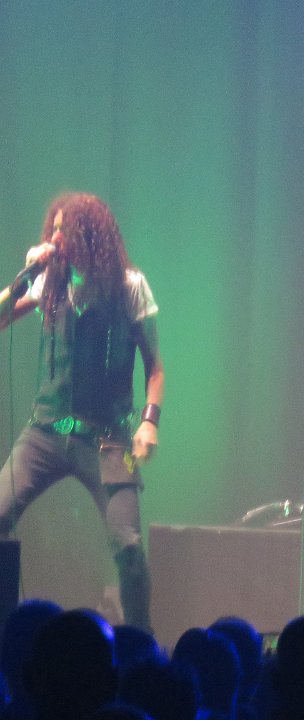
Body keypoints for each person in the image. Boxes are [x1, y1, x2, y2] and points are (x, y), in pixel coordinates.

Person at [0, 192, 164, 632]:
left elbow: (155, 367)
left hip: (109, 439)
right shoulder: (48, 282)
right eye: (53, 229)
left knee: (128, 546)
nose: (55, 238)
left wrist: (149, 421)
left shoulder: (129, 286)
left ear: (90, 235)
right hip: (45, 432)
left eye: (64, 230)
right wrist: (24, 277)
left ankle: (140, 640)